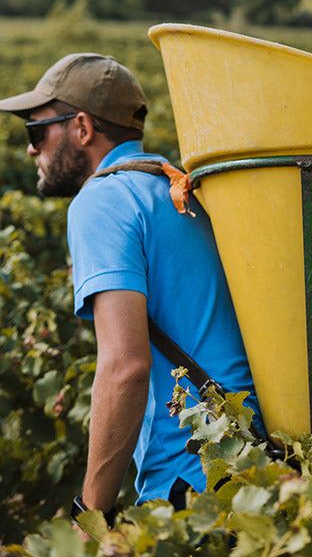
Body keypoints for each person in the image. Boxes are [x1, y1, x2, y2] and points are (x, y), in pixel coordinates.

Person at [0, 53, 262, 525]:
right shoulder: (177, 188)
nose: (30, 150)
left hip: (191, 483)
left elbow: (126, 367)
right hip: (253, 467)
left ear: (81, 128)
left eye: (36, 131)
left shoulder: (101, 202)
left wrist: (91, 512)